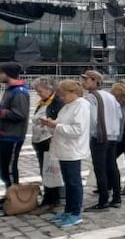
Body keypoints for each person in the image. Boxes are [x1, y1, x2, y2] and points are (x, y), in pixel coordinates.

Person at [41, 79, 90, 228]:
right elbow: (60, 125)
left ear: (73, 92)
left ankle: (75, 213)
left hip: (72, 150)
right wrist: (50, 125)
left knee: (74, 183)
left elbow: (77, 130)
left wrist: (56, 125)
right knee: (68, 182)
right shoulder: (68, 106)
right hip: (63, 148)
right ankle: (68, 210)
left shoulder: (81, 106)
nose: (61, 98)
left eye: (63, 94)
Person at [81, 70, 123, 212]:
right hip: (112, 135)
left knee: (100, 169)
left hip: (99, 136)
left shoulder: (92, 97)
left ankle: (103, 200)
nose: (84, 82)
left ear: (94, 81)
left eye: (86, 79)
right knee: (112, 166)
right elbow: (119, 115)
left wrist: (91, 133)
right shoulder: (110, 96)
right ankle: (116, 197)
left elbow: (92, 119)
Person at [30, 77, 65, 211]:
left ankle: (52, 198)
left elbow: (58, 122)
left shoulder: (57, 102)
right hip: (40, 141)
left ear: (50, 89)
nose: (38, 93)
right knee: (45, 171)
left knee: (50, 171)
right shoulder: (43, 102)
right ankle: (49, 197)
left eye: (40, 90)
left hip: (49, 141)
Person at [0, 62, 30, 194]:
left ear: (7, 74)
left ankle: (14, 197)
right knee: (4, 168)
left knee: (10, 168)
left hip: (13, 136)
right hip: (5, 134)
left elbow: (20, 114)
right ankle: (9, 195)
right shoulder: (10, 89)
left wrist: (2, 113)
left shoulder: (19, 92)